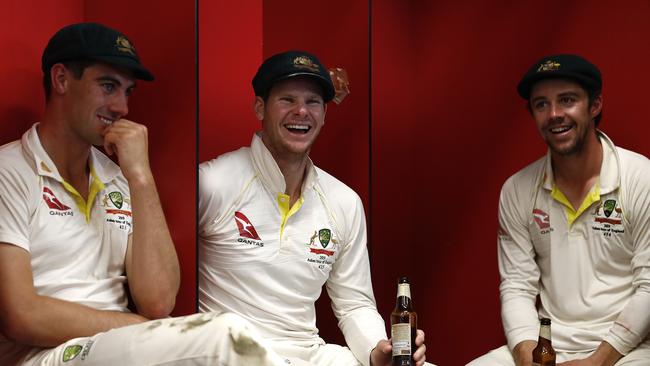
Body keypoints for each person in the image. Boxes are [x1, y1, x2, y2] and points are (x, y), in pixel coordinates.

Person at [0, 23, 287, 366]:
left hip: (113, 348)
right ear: (61, 79)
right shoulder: (9, 170)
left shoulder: (118, 179)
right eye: (108, 86)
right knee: (226, 336)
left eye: (127, 91)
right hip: (41, 356)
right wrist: (133, 326)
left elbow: (159, 301)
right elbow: (20, 314)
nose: (121, 106)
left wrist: (140, 175)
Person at [198, 50, 429, 366]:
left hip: (309, 354)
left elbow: (353, 304)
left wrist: (380, 352)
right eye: (287, 100)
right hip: (231, 352)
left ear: (324, 114)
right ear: (259, 107)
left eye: (313, 102)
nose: (301, 111)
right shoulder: (212, 182)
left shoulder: (343, 201)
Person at [468, 54, 650, 366]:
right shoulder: (517, 189)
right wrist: (529, 358)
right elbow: (516, 286)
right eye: (541, 104)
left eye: (567, 100)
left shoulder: (641, 177)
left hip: (627, 350)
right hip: (549, 345)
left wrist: (596, 362)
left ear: (594, 106)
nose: (554, 114)